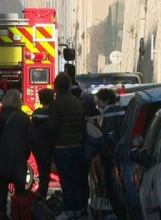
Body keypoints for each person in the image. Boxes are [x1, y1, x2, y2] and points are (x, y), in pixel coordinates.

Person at [47, 73, 88, 219]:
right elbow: (83, 124)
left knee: (66, 179)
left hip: (62, 147)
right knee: (77, 179)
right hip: (78, 146)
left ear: (56, 86)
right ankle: (79, 208)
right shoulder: (77, 102)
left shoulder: (56, 104)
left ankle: (69, 209)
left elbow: (52, 128)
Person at [0, 89, 31, 220]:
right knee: (20, 187)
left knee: (2, 187)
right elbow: (29, 138)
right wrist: (26, 154)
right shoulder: (24, 117)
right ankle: (19, 212)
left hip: (2, 155)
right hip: (18, 156)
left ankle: (2, 213)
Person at [94, 88, 125, 219]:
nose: (97, 103)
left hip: (110, 154)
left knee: (111, 183)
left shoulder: (110, 113)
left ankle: (114, 210)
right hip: (110, 153)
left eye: (99, 100)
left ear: (105, 100)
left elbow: (109, 134)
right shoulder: (109, 112)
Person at [30, 88, 55, 199]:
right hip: (52, 146)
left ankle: (42, 196)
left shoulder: (36, 114)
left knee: (43, 173)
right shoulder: (53, 114)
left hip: (38, 147)